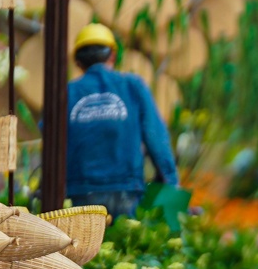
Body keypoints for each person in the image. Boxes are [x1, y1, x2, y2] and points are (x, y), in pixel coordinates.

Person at [63, 23, 178, 217]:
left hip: (81, 190)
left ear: (78, 62)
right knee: (126, 242)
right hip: (126, 188)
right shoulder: (133, 86)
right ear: (113, 56)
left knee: (88, 246)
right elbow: (155, 136)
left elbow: (51, 141)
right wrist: (171, 181)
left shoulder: (67, 92)